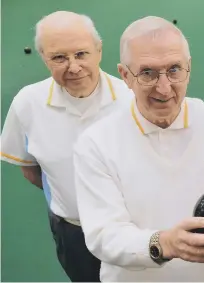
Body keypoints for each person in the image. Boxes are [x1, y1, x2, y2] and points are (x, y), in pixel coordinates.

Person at [73, 16, 204, 282]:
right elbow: (103, 235)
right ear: (125, 76)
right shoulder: (96, 142)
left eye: (174, 70)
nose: (164, 87)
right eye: (147, 73)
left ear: (189, 68)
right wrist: (164, 243)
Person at [0, 11, 133, 282]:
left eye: (81, 54)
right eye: (59, 57)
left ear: (99, 51)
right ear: (43, 58)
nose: (73, 67)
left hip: (130, 232)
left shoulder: (131, 100)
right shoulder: (27, 103)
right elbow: (31, 169)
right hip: (72, 234)